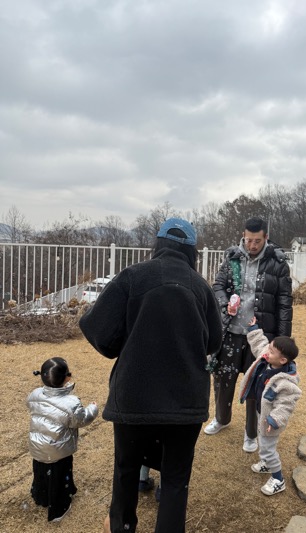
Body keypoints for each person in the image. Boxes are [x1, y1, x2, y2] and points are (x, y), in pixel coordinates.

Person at [79, 217, 222, 533]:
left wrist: (125, 343)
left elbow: (97, 329)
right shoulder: (201, 287)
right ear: (192, 252)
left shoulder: (132, 277)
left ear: (157, 244)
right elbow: (214, 342)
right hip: (185, 402)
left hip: (134, 397)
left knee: (126, 470)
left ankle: (122, 526)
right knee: (176, 480)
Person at [204, 217, 293, 454]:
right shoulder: (232, 258)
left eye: (257, 241)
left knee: (256, 385)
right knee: (223, 379)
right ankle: (221, 418)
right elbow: (217, 286)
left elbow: (284, 303)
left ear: (266, 238)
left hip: (260, 336)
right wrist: (225, 303)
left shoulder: (277, 263)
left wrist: (282, 342)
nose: (252, 245)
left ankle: (251, 432)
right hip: (230, 331)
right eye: (248, 240)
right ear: (243, 236)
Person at [27, 357, 98, 522]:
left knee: (41, 472)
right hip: (59, 450)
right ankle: (59, 507)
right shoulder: (71, 403)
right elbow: (82, 420)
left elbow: (29, 405)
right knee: (60, 475)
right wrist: (93, 408)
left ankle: (41, 496)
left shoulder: (34, 394)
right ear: (67, 378)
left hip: (38, 446)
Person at [239, 318, 301, 495]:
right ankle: (266, 465)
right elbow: (260, 343)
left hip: (272, 422)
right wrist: (254, 328)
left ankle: (278, 479)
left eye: (271, 351)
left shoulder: (285, 382)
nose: (267, 351)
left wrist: (274, 420)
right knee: (262, 442)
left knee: (267, 448)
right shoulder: (267, 360)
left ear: (282, 360)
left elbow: (286, 405)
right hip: (263, 413)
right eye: (269, 348)